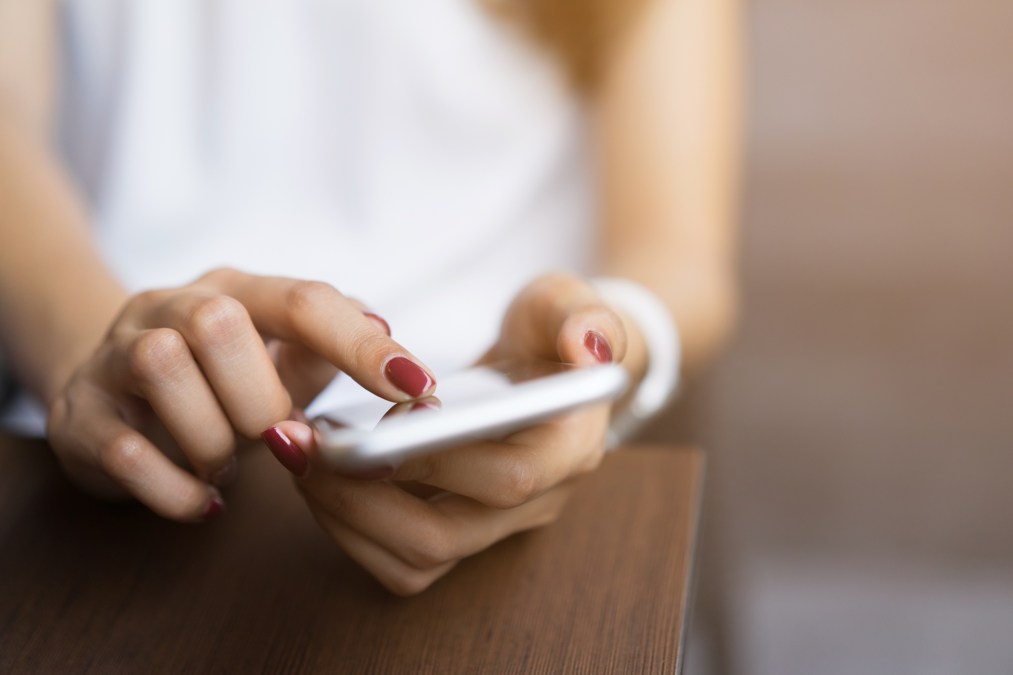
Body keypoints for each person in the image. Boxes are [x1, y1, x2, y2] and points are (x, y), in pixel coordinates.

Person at [0, 0, 739, 595]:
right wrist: (91, 351)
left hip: (493, 425)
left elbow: (677, 257)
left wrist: (599, 343)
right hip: (106, 437)